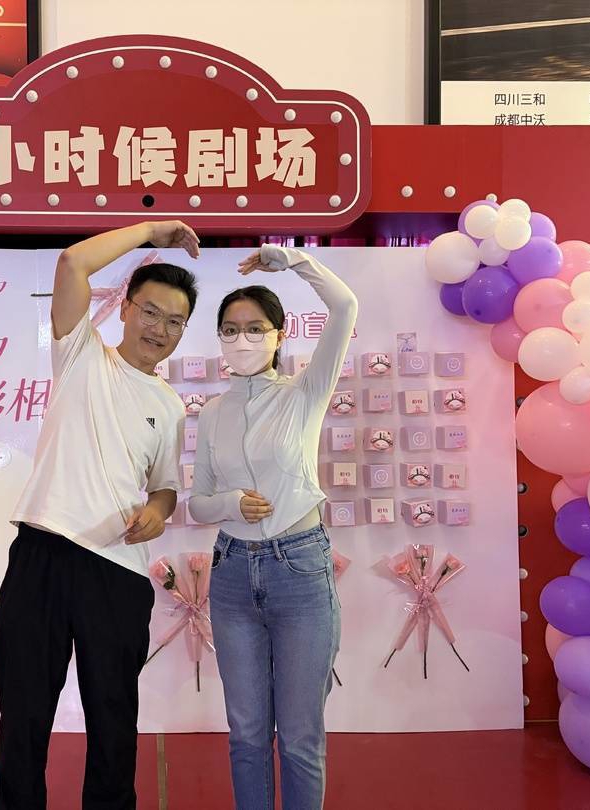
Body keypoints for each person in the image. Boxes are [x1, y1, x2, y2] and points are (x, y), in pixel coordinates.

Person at [0, 221, 200, 809]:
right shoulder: (81, 355)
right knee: (24, 713)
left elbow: (165, 486)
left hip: (118, 571)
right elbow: (72, 264)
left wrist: (158, 510)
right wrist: (153, 230)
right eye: (150, 312)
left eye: (175, 321)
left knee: (113, 718)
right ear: (125, 309)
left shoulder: (169, 404)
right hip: (42, 555)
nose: (159, 329)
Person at [188, 245, 358, 809]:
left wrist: (293, 261)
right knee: (247, 735)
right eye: (230, 330)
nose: (242, 340)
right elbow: (198, 504)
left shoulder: (304, 394)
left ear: (279, 335)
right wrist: (231, 503)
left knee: (301, 737)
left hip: (299, 569)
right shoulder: (212, 413)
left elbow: (345, 306)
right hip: (233, 575)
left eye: (255, 328)